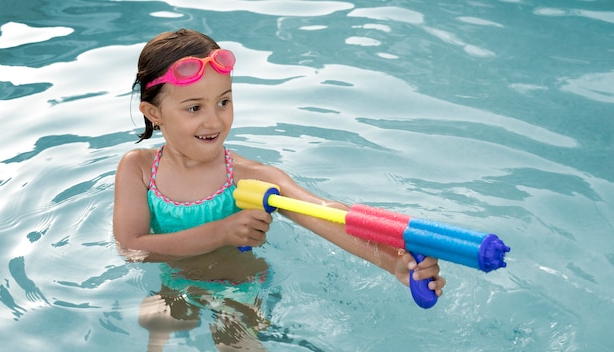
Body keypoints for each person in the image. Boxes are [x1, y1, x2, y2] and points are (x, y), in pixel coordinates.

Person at [113, 29, 446, 351]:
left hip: (237, 288)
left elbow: (324, 214)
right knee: (153, 335)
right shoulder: (139, 169)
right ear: (153, 113)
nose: (214, 121)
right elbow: (132, 248)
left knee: (236, 346)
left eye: (224, 101)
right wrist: (221, 233)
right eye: (194, 108)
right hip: (174, 285)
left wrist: (393, 263)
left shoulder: (247, 177)